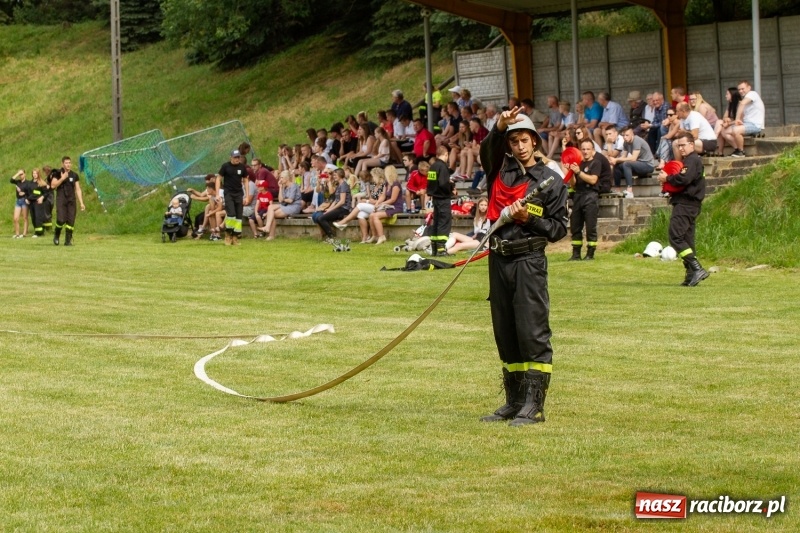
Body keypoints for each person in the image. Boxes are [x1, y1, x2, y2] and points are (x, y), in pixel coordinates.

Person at [478, 107, 568, 426]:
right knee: (506, 331)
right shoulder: (499, 174)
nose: (520, 145)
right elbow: (486, 150)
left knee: (531, 331)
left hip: (528, 260)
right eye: (513, 140)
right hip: (498, 258)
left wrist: (528, 217)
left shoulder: (550, 182)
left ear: (535, 142)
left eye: (525, 139)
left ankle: (535, 406)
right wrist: (497, 126)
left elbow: (558, 229)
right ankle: (514, 401)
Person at [657, 131, 709, 286]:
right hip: (689, 204)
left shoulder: (692, 160)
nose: (680, 149)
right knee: (687, 239)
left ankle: (697, 268)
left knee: (676, 237)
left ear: (691, 145)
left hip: (686, 204)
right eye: (678, 146)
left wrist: (667, 179)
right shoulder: (690, 160)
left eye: (683, 145)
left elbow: (684, 179)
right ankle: (691, 274)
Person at [566, 138, 607, 260]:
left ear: (593, 150)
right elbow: (573, 184)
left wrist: (578, 172)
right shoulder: (578, 164)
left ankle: (590, 254)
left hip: (591, 196)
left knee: (590, 227)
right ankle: (576, 254)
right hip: (578, 195)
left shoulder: (596, 163)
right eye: (583, 149)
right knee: (575, 226)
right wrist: (571, 172)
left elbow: (593, 180)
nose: (585, 151)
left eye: (588, 149)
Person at [334, 167, 386, 243]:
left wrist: (367, 201)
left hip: (379, 207)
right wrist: (368, 200)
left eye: (373, 176)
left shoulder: (383, 185)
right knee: (360, 214)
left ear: (377, 176)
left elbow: (380, 200)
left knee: (360, 205)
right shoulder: (375, 185)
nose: (372, 178)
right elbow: (371, 198)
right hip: (372, 205)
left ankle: (344, 222)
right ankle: (365, 237)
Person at [721, 80, 765, 158]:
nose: (741, 91)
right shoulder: (745, 100)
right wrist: (729, 123)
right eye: (739, 89)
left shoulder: (752, 94)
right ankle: (737, 149)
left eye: (743, 88)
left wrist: (737, 120)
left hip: (755, 125)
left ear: (749, 88)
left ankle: (741, 152)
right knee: (724, 131)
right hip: (746, 124)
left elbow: (742, 104)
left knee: (736, 130)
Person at [609, 125, 656, 198]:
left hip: (648, 165)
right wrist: (615, 161)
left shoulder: (636, 140)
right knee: (617, 165)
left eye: (627, 135)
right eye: (623, 135)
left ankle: (629, 191)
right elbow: (623, 157)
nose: (625, 137)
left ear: (632, 134)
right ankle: (617, 190)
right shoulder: (625, 143)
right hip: (638, 165)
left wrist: (617, 159)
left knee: (626, 164)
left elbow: (633, 158)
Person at [50, 156, 86, 246]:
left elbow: (78, 189)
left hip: (71, 200)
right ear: (62, 164)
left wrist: (81, 202)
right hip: (61, 199)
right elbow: (53, 186)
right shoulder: (57, 173)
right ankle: (56, 235)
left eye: (69, 163)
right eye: (66, 163)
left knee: (70, 221)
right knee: (61, 219)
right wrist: (62, 178)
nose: (68, 164)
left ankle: (68, 240)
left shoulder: (74, 175)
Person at [215, 149, 248, 246]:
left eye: (238, 157)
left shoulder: (242, 167)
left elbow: (246, 180)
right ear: (231, 158)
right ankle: (228, 234)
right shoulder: (225, 166)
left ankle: (235, 237)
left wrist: (246, 195)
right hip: (228, 193)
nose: (237, 159)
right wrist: (217, 194)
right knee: (231, 214)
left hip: (239, 194)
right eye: (235, 157)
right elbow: (218, 179)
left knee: (238, 216)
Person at [259, 171, 302, 240]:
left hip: (294, 206)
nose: (280, 179)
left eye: (281, 177)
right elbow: (280, 200)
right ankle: (268, 229)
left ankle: (270, 233)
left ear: (286, 178)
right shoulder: (285, 187)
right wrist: (280, 188)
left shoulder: (293, 186)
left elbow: (290, 200)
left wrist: (283, 200)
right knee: (270, 207)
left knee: (271, 214)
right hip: (286, 205)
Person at [426, 145, 452, 256]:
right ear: (446, 154)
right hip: (443, 198)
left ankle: (435, 248)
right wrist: (451, 188)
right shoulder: (443, 167)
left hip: (435, 198)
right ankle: (441, 249)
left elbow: (431, 183)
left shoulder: (432, 166)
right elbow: (443, 183)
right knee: (444, 222)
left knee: (436, 222)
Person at [367, 165, 403, 245]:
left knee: (376, 216)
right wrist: (377, 203)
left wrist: (382, 204)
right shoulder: (387, 184)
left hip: (395, 207)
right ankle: (374, 236)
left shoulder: (396, 184)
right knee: (371, 215)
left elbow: (393, 199)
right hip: (388, 206)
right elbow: (383, 196)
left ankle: (381, 236)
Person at [314, 168, 352, 241]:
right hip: (339, 208)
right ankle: (330, 236)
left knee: (321, 218)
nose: (334, 177)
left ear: (340, 175)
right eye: (334, 175)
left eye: (335, 175)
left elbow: (342, 201)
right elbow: (335, 200)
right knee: (320, 217)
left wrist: (331, 209)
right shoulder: (339, 185)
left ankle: (331, 237)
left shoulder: (344, 185)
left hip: (344, 209)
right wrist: (329, 209)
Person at [712, 88, 742, 157]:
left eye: (727, 94)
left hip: (739, 125)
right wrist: (727, 119)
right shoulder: (730, 104)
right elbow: (724, 117)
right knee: (719, 122)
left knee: (722, 130)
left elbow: (740, 120)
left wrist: (728, 123)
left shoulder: (740, 104)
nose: (726, 96)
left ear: (733, 94)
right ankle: (720, 152)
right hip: (732, 124)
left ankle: (713, 140)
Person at [10, 169, 32, 238]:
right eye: (20, 174)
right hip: (18, 201)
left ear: (25, 174)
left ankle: (24, 233)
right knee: (15, 218)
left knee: (25, 217)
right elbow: (11, 180)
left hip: (24, 200)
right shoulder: (18, 182)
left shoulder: (28, 183)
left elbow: (30, 193)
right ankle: (17, 234)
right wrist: (17, 173)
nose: (20, 176)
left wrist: (24, 193)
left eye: (22, 174)